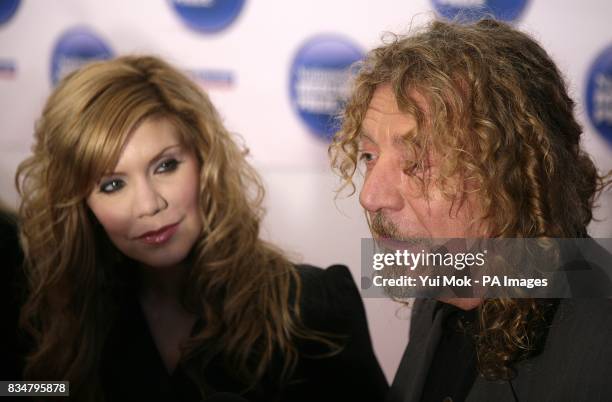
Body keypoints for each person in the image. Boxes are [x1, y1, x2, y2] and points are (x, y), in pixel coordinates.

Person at [11, 55, 388, 401]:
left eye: (165, 166)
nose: (149, 205)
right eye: (112, 185)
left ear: (204, 160)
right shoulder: (56, 324)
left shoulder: (311, 307)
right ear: (80, 204)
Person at [330, 18, 612, 402]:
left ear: (517, 172)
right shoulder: (439, 299)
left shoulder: (600, 341)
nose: (370, 195)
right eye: (369, 156)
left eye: (417, 161)